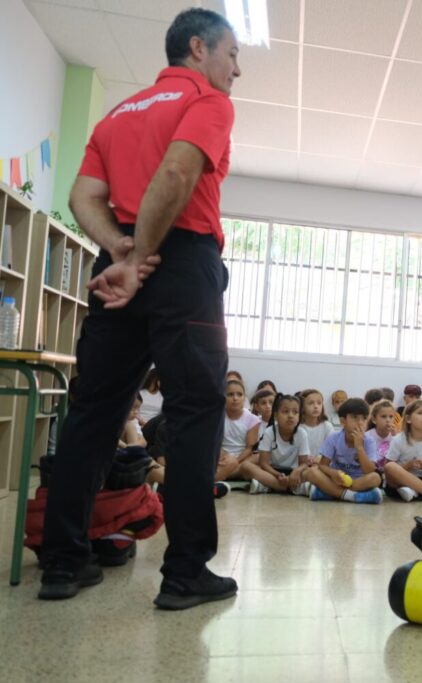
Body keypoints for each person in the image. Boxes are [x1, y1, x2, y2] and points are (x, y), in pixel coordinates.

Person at [38, 8, 241, 608]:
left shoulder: (117, 114)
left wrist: (121, 252)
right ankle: (185, 573)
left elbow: (83, 196)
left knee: (93, 412)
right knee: (195, 413)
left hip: (121, 265)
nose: (237, 70)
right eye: (232, 54)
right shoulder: (207, 101)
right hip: (179, 264)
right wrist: (141, 256)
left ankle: (62, 562)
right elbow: (177, 173)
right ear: (199, 48)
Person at [303, 398, 383, 504]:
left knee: (376, 478)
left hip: (358, 482)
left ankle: (331, 493)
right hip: (337, 479)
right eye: (355, 417)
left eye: (364, 418)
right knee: (311, 472)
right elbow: (322, 465)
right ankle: (351, 496)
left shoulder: (369, 441)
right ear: (343, 421)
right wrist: (333, 473)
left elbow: (369, 471)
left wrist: (359, 448)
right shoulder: (333, 438)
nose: (360, 423)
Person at [248, 394, 311, 496]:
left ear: (299, 416)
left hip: (293, 473)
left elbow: (304, 463)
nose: (290, 415)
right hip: (273, 471)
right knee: (246, 466)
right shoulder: (269, 432)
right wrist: (277, 475)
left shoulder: (302, 433)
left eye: (295, 412)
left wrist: (297, 471)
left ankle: (268, 486)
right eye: (285, 412)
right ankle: (294, 488)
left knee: (312, 472)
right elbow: (263, 463)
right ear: (276, 416)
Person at [217, 379, 261, 495]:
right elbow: (215, 443)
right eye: (230, 394)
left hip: (242, 460)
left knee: (258, 457)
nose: (235, 398)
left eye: (239, 394)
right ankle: (233, 473)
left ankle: (224, 474)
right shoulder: (217, 417)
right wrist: (223, 457)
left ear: (244, 398)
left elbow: (249, 448)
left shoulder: (253, 419)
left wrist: (235, 462)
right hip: (223, 458)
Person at [298, 388, 334, 462]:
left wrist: (318, 459)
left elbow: (331, 448)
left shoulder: (327, 426)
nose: (316, 406)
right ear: (302, 407)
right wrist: (307, 459)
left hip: (322, 463)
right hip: (302, 463)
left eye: (319, 403)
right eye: (311, 403)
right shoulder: (298, 427)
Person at [365, 399, 397, 468]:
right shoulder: (367, 436)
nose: (388, 420)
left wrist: (395, 438)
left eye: (391, 416)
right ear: (374, 419)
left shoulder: (396, 436)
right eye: (383, 416)